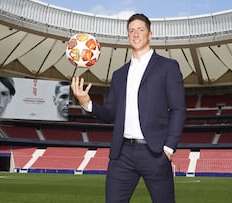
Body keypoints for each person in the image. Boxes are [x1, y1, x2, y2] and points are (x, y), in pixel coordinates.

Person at [71, 13, 186, 203]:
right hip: (122, 154)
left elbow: (178, 109)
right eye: (131, 30)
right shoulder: (119, 74)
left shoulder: (168, 67)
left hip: (156, 152)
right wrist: (87, 104)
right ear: (127, 36)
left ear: (150, 34)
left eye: (141, 29)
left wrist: (168, 148)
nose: (136, 34)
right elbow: (109, 113)